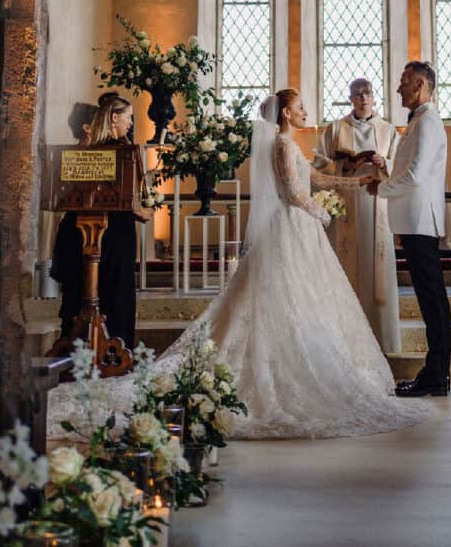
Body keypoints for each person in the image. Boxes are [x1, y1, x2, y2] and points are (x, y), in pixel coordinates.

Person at [154, 88, 428, 439]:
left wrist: (357, 183)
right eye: (299, 107)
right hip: (290, 225)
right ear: (284, 114)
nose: (305, 111)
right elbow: (293, 192)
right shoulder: (282, 145)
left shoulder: (291, 144)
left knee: (306, 297)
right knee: (288, 295)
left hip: (300, 226)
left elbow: (315, 179)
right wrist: (320, 212)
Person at [364, 61, 451, 398]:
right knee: (430, 297)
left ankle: (437, 373)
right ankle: (436, 372)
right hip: (413, 219)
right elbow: (409, 166)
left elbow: (416, 175)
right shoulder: (419, 122)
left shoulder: (428, 122)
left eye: (403, 82)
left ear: (419, 84)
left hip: (420, 220)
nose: (398, 88)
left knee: (433, 299)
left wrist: (380, 188)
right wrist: (385, 169)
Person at [50, 94, 149, 348]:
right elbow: (124, 197)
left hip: (86, 230)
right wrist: (142, 212)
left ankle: (79, 345)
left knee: (84, 290)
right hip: (110, 234)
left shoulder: (87, 149)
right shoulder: (121, 154)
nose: (130, 123)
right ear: (114, 118)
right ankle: (113, 345)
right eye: (128, 118)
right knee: (112, 291)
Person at [314, 77, 401, 353]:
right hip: (346, 209)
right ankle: (344, 344)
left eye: (368, 93)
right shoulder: (335, 129)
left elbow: (402, 166)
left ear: (375, 97)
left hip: (378, 207)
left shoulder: (388, 131)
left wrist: (383, 162)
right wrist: (346, 163)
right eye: (357, 94)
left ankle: (382, 341)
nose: (363, 98)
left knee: (377, 273)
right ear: (350, 98)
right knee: (346, 268)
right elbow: (318, 168)